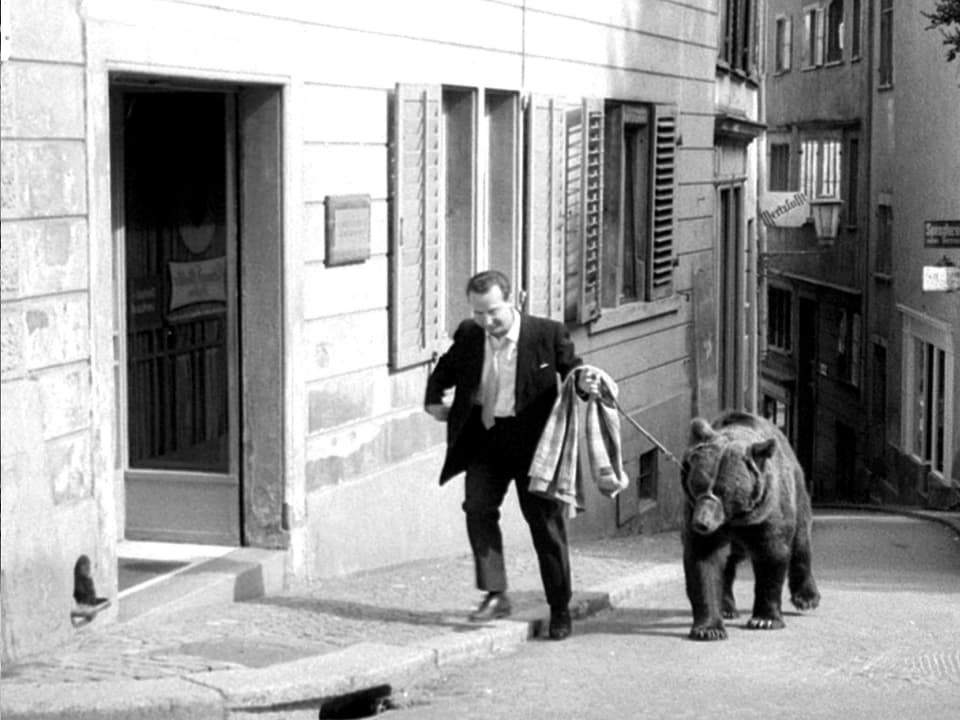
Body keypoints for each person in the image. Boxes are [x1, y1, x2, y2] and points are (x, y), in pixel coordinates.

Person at [424, 270, 598, 640]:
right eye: (478, 313)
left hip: (535, 447)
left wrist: (583, 381)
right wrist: (433, 401)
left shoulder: (546, 334)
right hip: (486, 441)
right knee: (477, 508)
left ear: (515, 299)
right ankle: (495, 592)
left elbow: (574, 370)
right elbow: (444, 371)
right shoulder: (470, 335)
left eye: (493, 312)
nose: (487, 322)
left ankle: (560, 608)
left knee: (545, 526)